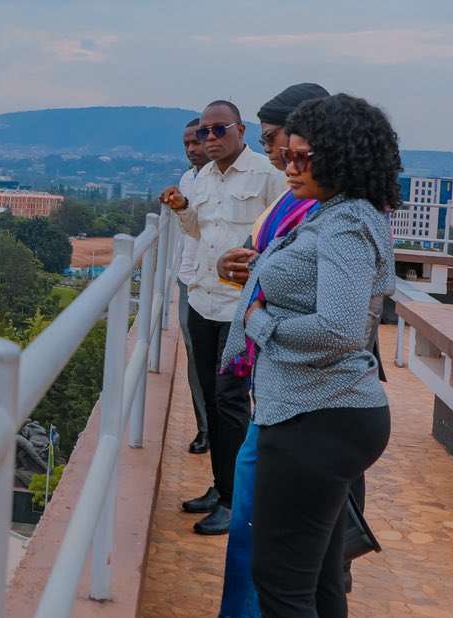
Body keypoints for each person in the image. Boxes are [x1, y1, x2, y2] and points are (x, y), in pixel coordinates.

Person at [221, 94, 400, 616]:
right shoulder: (337, 213)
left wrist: (258, 320)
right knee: (318, 580)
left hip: (315, 417)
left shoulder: (344, 225)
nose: (288, 165)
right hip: (324, 413)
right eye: (288, 153)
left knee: (280, 583)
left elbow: (339, 329)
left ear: (342, 158)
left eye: (304, 157)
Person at [215, 82, 331, 618]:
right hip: (285, 389)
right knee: (313, 558)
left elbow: (340, 323)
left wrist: (256, 314)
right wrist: (243, 268)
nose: (277, 155)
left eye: (277, 140)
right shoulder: (301, 195)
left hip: (307, 397)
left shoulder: (341, 214)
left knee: (266, 540)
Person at [160, 100, 287, 535]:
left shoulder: (268, 176)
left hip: (240, 310)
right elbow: (203, 232)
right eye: (202, 133)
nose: (208, 139)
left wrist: (258, 276)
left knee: (232, 401)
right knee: (212, 401)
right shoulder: (203, 178)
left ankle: (236, 502)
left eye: (218, 131)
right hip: (202, 301)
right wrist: (182, 209)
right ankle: (220, 486)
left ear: (241, 130)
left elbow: (286, 239)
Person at [176, 118, 212, 455]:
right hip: (188, 278)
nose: (192, 149)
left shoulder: (230, 179)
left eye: (197, 142)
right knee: (194, 357)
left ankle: (230, 424)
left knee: (227, 359)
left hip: (221, 281)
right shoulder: (187, 178)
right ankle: (206, 428)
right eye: (187, 143)